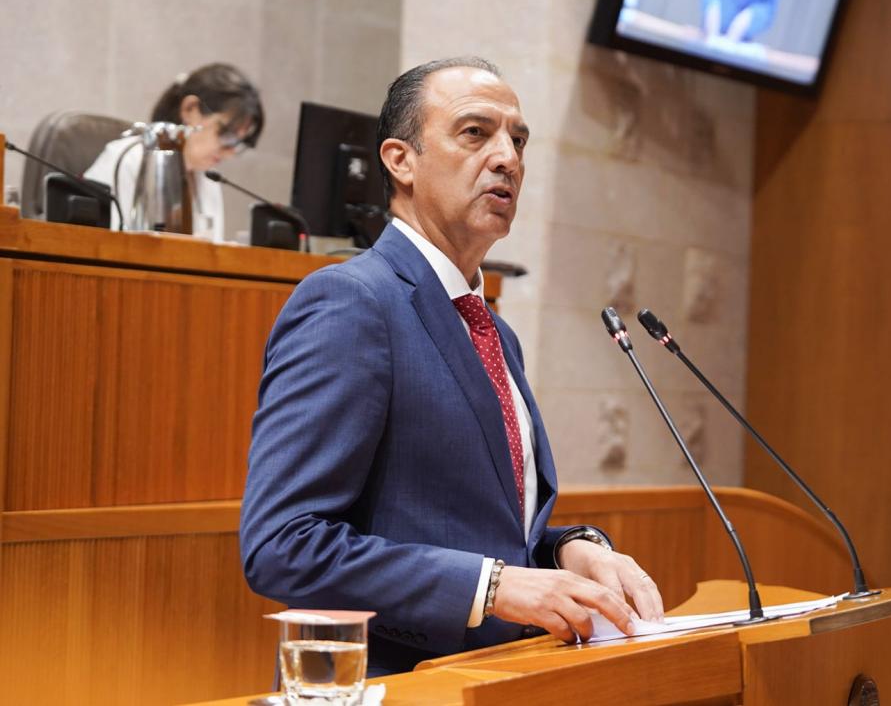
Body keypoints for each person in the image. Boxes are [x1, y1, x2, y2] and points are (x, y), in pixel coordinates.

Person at [239, 57, 663, 675]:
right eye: (475, 133)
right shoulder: (352, 302)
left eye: (518, 140)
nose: (508, 158)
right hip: (389, 683)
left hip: (492, 679)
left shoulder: (492, 328)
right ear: (400, 160)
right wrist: (490, 588)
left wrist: (568, 549)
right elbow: (283, 546)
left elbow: (473, 534)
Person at [84, 63, 263, 242]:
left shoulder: (209, 180)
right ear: (190, 109)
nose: (230, 152)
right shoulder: (126, 158)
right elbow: (99, 245)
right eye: (227, 135)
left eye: (239, 143)